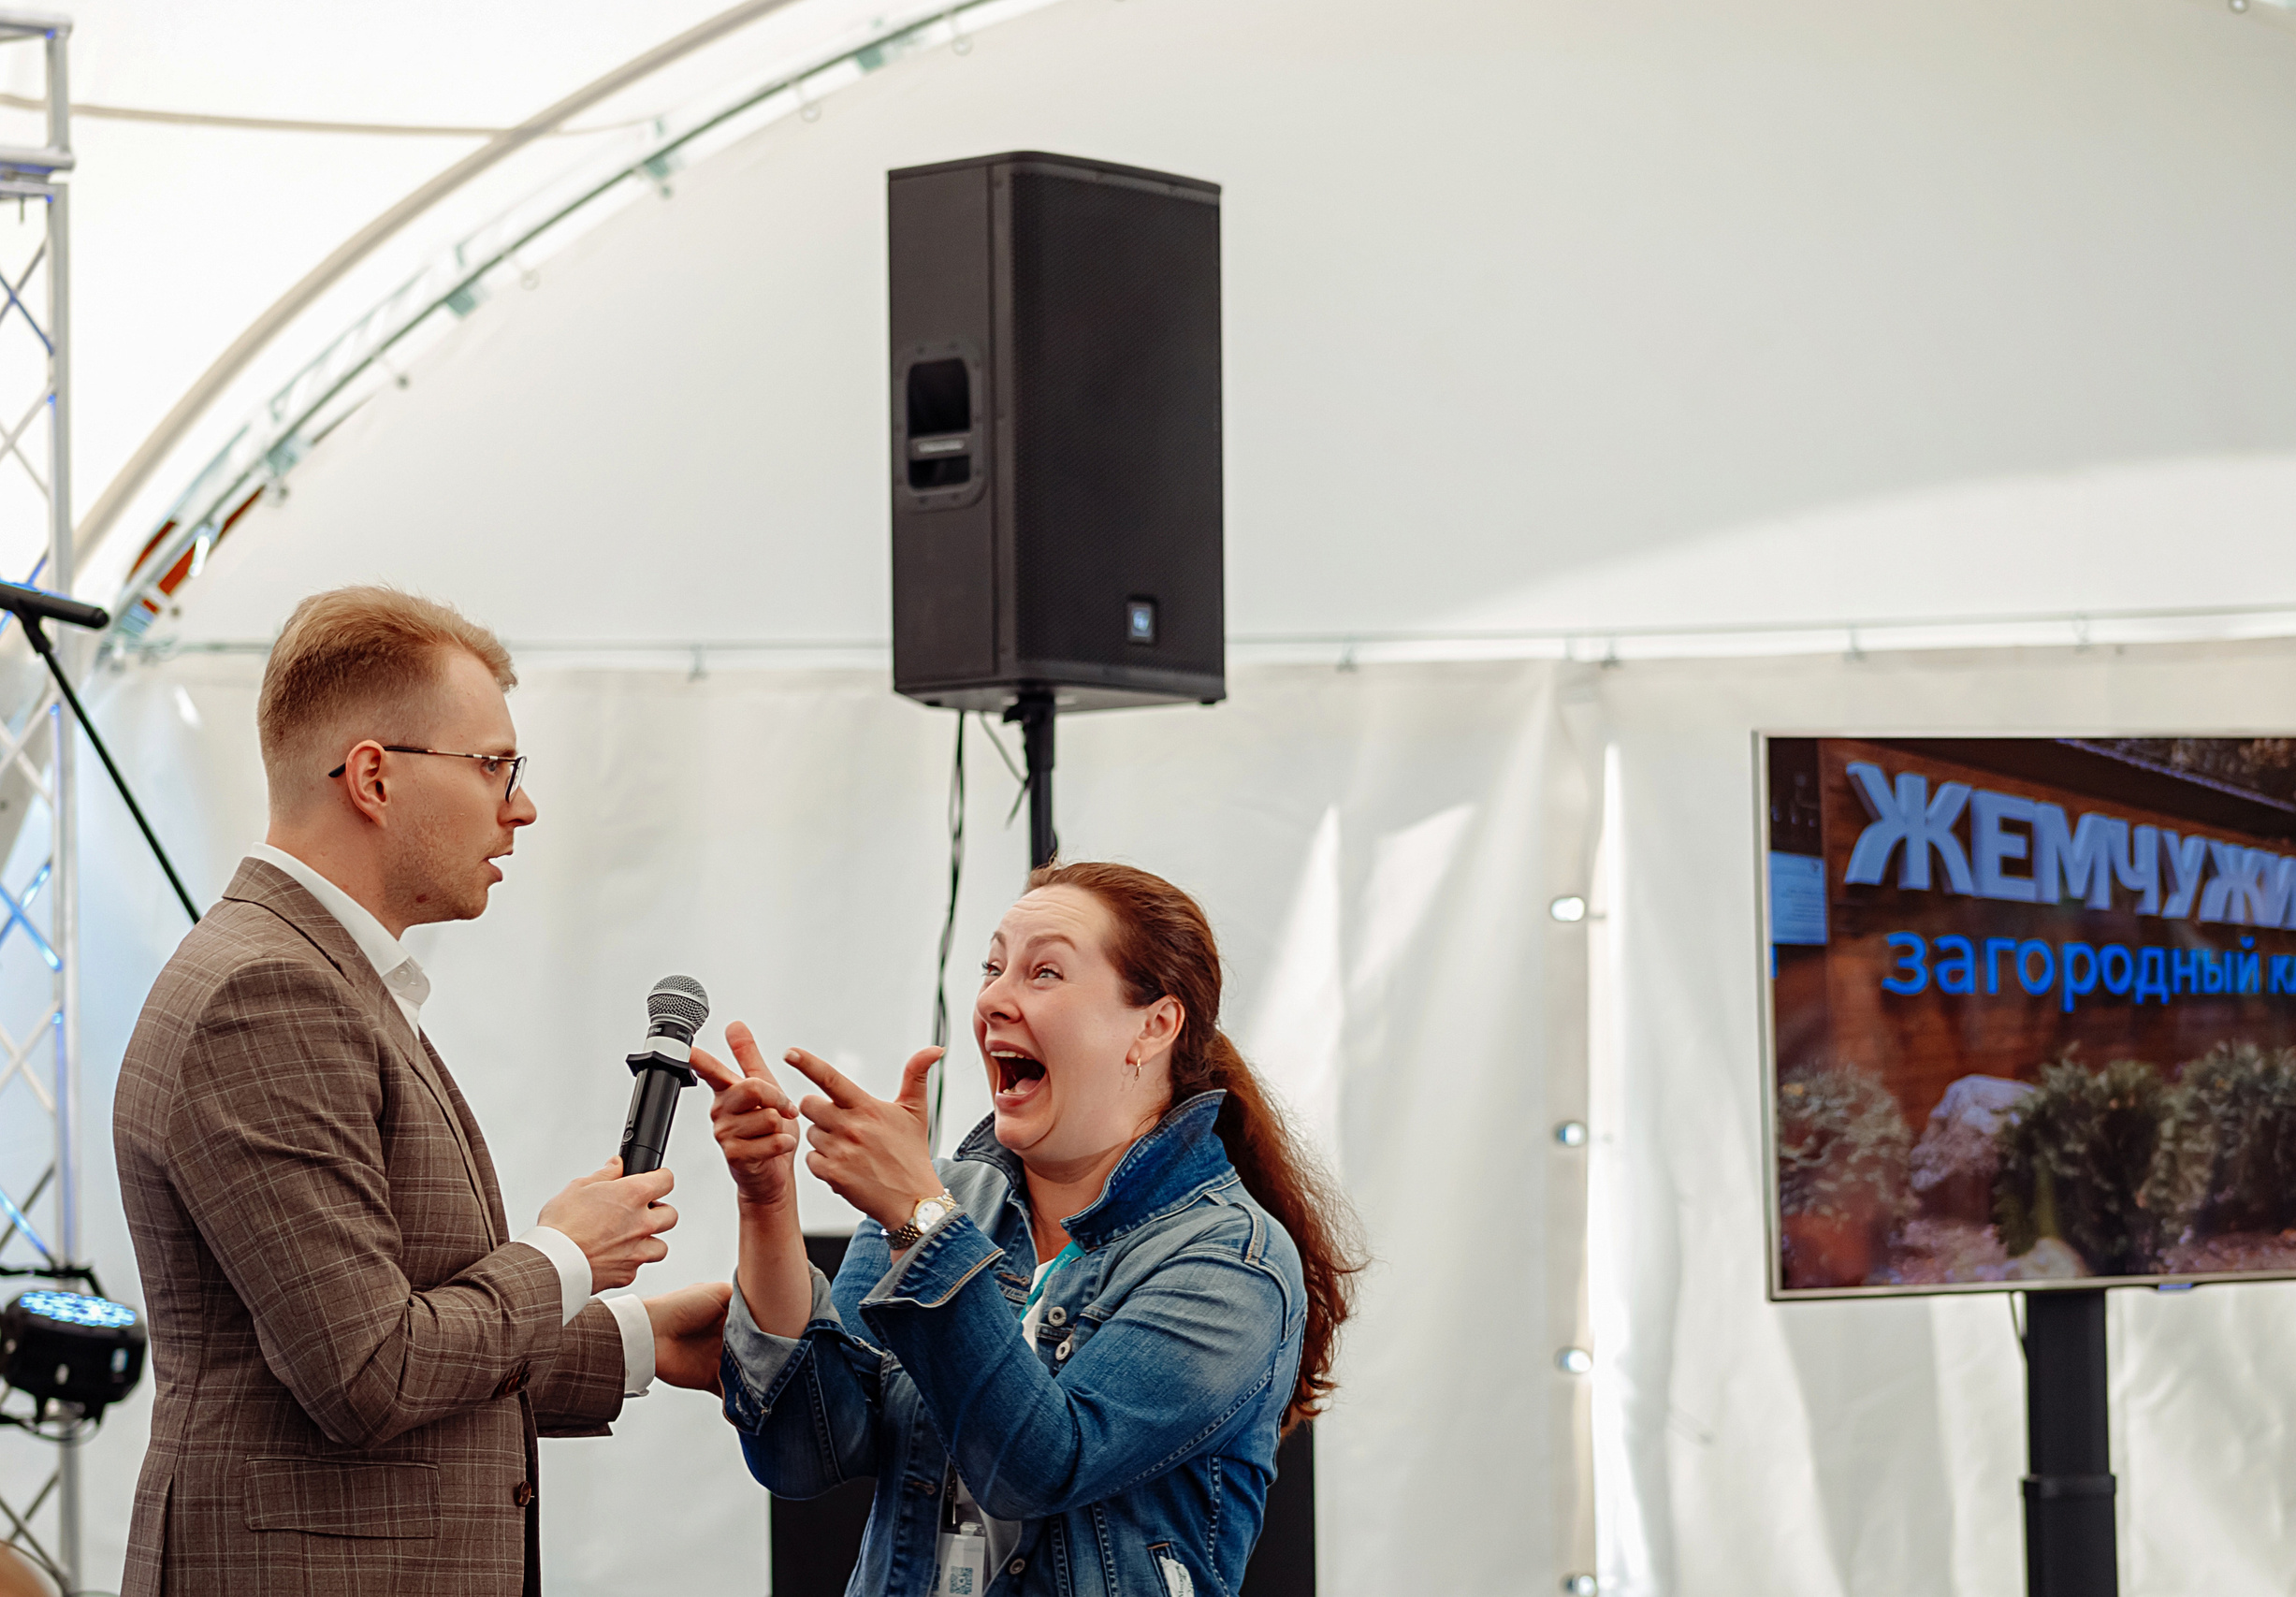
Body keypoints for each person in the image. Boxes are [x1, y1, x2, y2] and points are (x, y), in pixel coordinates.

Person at [113, 587, 731, 1597]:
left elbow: (400, 1326)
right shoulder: (267, 995)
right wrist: (565, 1254)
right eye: (495, 766)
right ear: (372, 777)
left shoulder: (318, 975)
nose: (520, 804)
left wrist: (645, 1340)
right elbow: (370, 1373)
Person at [695, 860, 1361, 1597]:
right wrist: (765, 1201)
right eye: (992, 966)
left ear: (1154, 1024)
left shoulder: (1230, 1257)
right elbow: (804, 1451)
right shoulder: (944, 1196)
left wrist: (918, 1218)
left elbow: (1038, 1464)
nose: (994, 999)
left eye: (1044, 973)